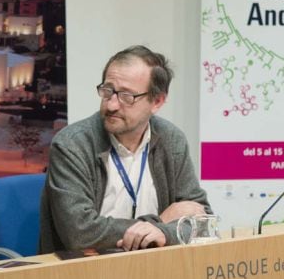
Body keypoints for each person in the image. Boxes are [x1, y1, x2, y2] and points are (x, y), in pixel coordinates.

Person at [39, 45, 211, 253]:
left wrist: (163, 233)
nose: (111, 105)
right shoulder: (72, 145)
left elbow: (203, 221)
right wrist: (161, 223)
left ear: (157, 102)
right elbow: (80, 233)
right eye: (108, 91)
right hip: (85, 272)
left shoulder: (171, 140)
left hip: (153, 269)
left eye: (127, 96)